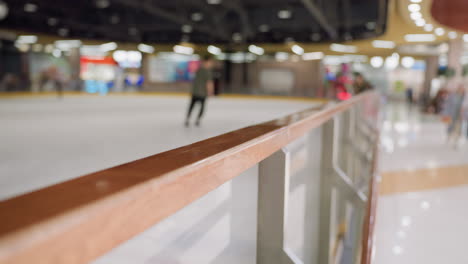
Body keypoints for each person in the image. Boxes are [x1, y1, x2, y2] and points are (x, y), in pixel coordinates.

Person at [185, 55, 214, 127]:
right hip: (202, 93)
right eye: (210, 62)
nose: (211, 64)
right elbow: (209, 83)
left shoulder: (198, 69)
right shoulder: (207, 71)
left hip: (195, 91)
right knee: (202, 107)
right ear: (207, 62)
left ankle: (187, 119)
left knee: (191, 106)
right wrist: (210, 92)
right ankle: (197, 120)